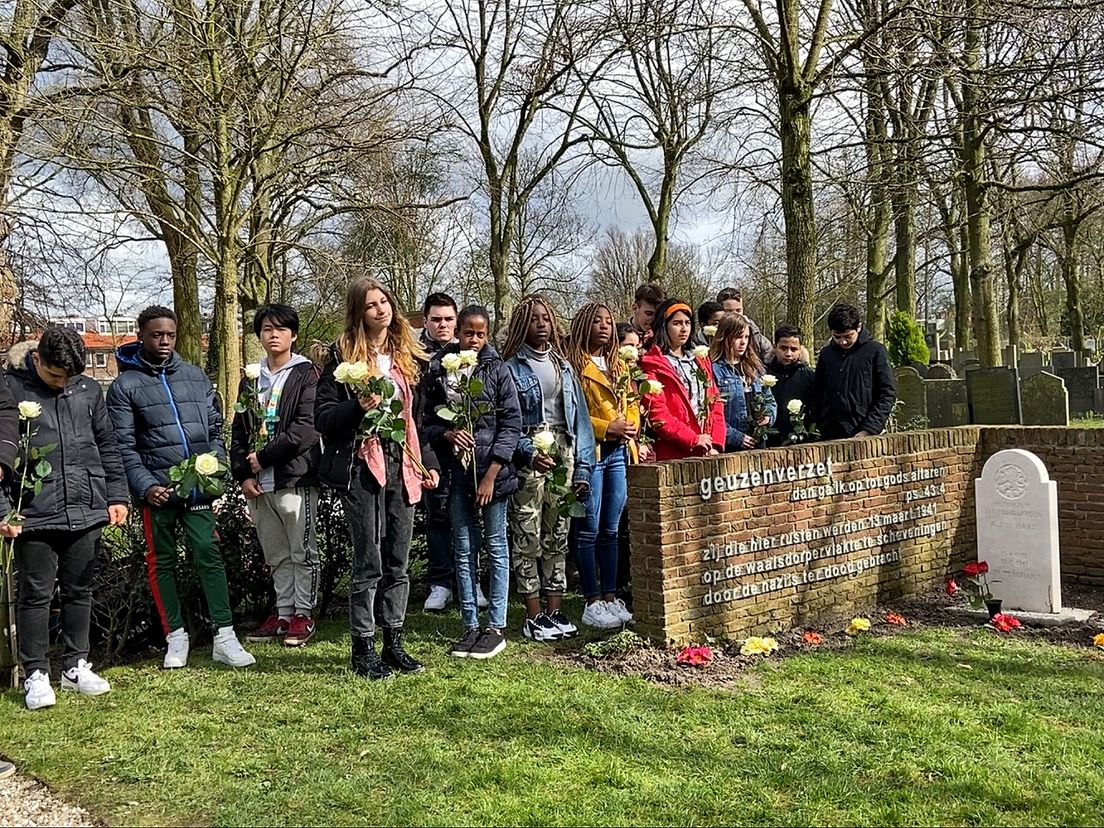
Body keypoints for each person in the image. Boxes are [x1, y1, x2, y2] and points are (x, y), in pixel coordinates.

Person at [107, 307, 255, 669]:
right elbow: (122, 445)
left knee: (209, 554)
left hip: (198, 490)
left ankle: (225, 635)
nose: (164, 341)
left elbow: (214, 427)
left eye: (170, 335)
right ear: (141, 335)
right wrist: (145, 486)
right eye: (156, 335)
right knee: (163, 563)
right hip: (157, 491)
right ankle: (176, 637)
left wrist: (215, 469)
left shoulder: (195, 376)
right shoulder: (124, 386)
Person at [315, 277, 440, 680]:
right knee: (368, 560)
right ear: (359, 312)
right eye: (371, 305)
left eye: (385, 301)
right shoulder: (341, 358)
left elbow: (417, 420)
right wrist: (356, 407)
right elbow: (323, 419)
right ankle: (363, 648)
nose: (381, 309)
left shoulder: (408, 357)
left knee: (398, 560)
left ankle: (394, 642)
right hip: (361, 466)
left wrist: (429, 461)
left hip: (403, 462)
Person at [2, 328, 128, 710]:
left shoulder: (89, 390)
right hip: (34, 511)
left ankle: (77, 665)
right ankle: (36, 673)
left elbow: (107, 444)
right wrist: (4, 511)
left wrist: (117, 495)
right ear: (37, 359)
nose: (62, 383)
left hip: (86, 504)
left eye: (68, 377)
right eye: (55, 375)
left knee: (80, 589)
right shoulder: (10, 390)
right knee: (36, 594)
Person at [421, 305, 521, 660]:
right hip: (456, 474)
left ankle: (495, 625)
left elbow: (511, 425)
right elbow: (426, 421)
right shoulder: (439, 369)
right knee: (463, 548)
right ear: (458, 332)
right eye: (468, 333)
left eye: (480, 334)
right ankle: (470, 624)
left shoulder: (498, 370)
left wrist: (491, 474)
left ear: (487, 334)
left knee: (495, 546)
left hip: (493, 478)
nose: (473, 340)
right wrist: (446, 434)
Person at [502, 295, 595, 642]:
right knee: (528, 532)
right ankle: (533, 613)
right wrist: (526, 452)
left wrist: (583, 469)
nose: (542, 323)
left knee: (558, 531)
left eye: (546, 318)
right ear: (521, 325)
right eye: (534, 318)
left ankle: (555, 609)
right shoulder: (510, 368)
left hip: (564, 451)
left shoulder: (565, 367)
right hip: (530, 453)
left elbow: (581, 422)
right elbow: (507, 423)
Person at [231, 304, 321, 648]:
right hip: (258, 483)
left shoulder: (305, 374)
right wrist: (243, 471)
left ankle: (303, 613)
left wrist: (263, 458)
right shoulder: (251, 378)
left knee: (302, 550)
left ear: (293, 335)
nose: (273, 335)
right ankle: (283, 611)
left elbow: (305, 429)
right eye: (267, 329)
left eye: (281, 329)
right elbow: (239, 429)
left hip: (294, 476)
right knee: (276, 553)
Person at [566, 303, 638, 630]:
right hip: (591, 451)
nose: (605, 326)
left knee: (612, 527)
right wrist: (607, 427)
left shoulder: (618, 364)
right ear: (583, 325)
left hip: (618, 453)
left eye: (609, 321)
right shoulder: (573, 366)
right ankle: (591, 599)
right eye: (597, 321)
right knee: (589, 528)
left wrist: (632, 425)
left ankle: (611, 597)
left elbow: (632, 402)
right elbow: (571, 413)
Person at [418, 292, 467, 613]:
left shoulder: (468, 353)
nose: (443, 325)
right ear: (425, 322)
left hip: (466, 448)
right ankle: (440, 583)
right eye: (436, 319)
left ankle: (469, 581)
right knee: (436, 516)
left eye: (449, 319)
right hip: (431, 447)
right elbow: (415, 415)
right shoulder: (415, 357)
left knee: (466, 518)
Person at [640, 299, 726, 460]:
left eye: (687, 323)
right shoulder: (652, 362)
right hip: (674, 450)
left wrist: (715, 443)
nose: (684, 328)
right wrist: (693, 439)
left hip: (708, 447)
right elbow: (658, 413)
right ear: (664, 326)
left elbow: (715, 402)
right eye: (677, 323)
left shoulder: (700, 358)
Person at [810, 303, 897, 440]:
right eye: (837, 337)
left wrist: (869, 429)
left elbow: (887, 393)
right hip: (829, 429)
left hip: (861, 428)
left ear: (859, 327)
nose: (842, 342)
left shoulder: (875, 351)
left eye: (848, 336)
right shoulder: (827, 354)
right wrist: (817, 422)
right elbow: (817, 391)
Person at [710, 314, 777, 451]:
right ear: (724, 336)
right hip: (730, 445)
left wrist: (768, 416)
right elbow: (711, 414)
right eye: (738, 337)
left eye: (746, 337)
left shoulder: (755, 367)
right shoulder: (714, 370)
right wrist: (735, 437)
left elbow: (770, 400)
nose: (743, 342)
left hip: (758, 442)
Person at [766, 325, 816, 447]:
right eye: (783, 348)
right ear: (775, 347)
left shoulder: (810, 376)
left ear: (800, 350)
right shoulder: (764, 374)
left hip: (801, 441)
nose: (788, 354)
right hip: (770, 441)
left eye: (793, 349)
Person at [716, 288, 773, 363]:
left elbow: (770, 359)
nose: (735, 314)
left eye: (738, 310)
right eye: (729, 311)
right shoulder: (709, 336)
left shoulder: (755, 335)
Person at [629, 283, 666, 351]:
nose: (653, 319)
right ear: (635, 308)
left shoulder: (664, 339)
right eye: (649, 313)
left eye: (657, 315)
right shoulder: (618, 335)